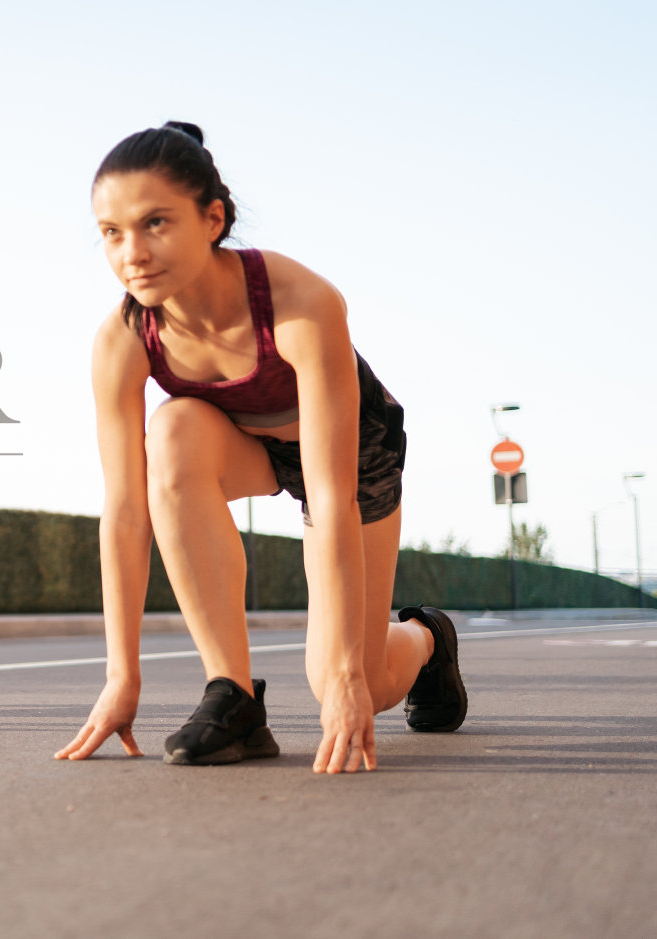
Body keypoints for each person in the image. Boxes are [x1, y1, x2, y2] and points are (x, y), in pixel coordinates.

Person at [54, 122, 466, 774]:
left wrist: (349, 675)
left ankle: (424, 639)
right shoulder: (124, 338)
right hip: (243, 441)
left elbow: (330, 497)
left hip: (351, 459)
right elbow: (128, 510)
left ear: (212, 218)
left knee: (350, 682)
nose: (131, 252)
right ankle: (232, 696)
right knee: (172, 429)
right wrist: (120, 675)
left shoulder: (301, 303)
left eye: (155, 222)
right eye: (111, 232)